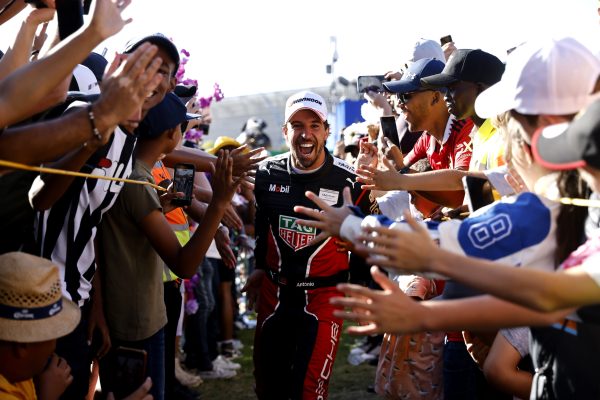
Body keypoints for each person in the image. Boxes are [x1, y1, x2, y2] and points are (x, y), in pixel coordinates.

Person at [97, 92, 243, 399]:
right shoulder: (137, 180)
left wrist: (194, 210)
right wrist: (218, 203)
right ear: (170, 132)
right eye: (181, 125)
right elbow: (184, 264)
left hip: (147, 304)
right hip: (137, 316)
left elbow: (173, 202)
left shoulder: (140, 170)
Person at [241, 90, 379, 399]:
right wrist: (259, 268)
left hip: (323, 297)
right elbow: (263, 224)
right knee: (266, 388)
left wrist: (361, 286)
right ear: (285, 131)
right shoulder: (266, 173)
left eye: (315, 126)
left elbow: (367, 237)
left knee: (309, 390)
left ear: (327, 131)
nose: (306, 135)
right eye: (297, 126)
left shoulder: (350, 180)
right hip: (275, 293)